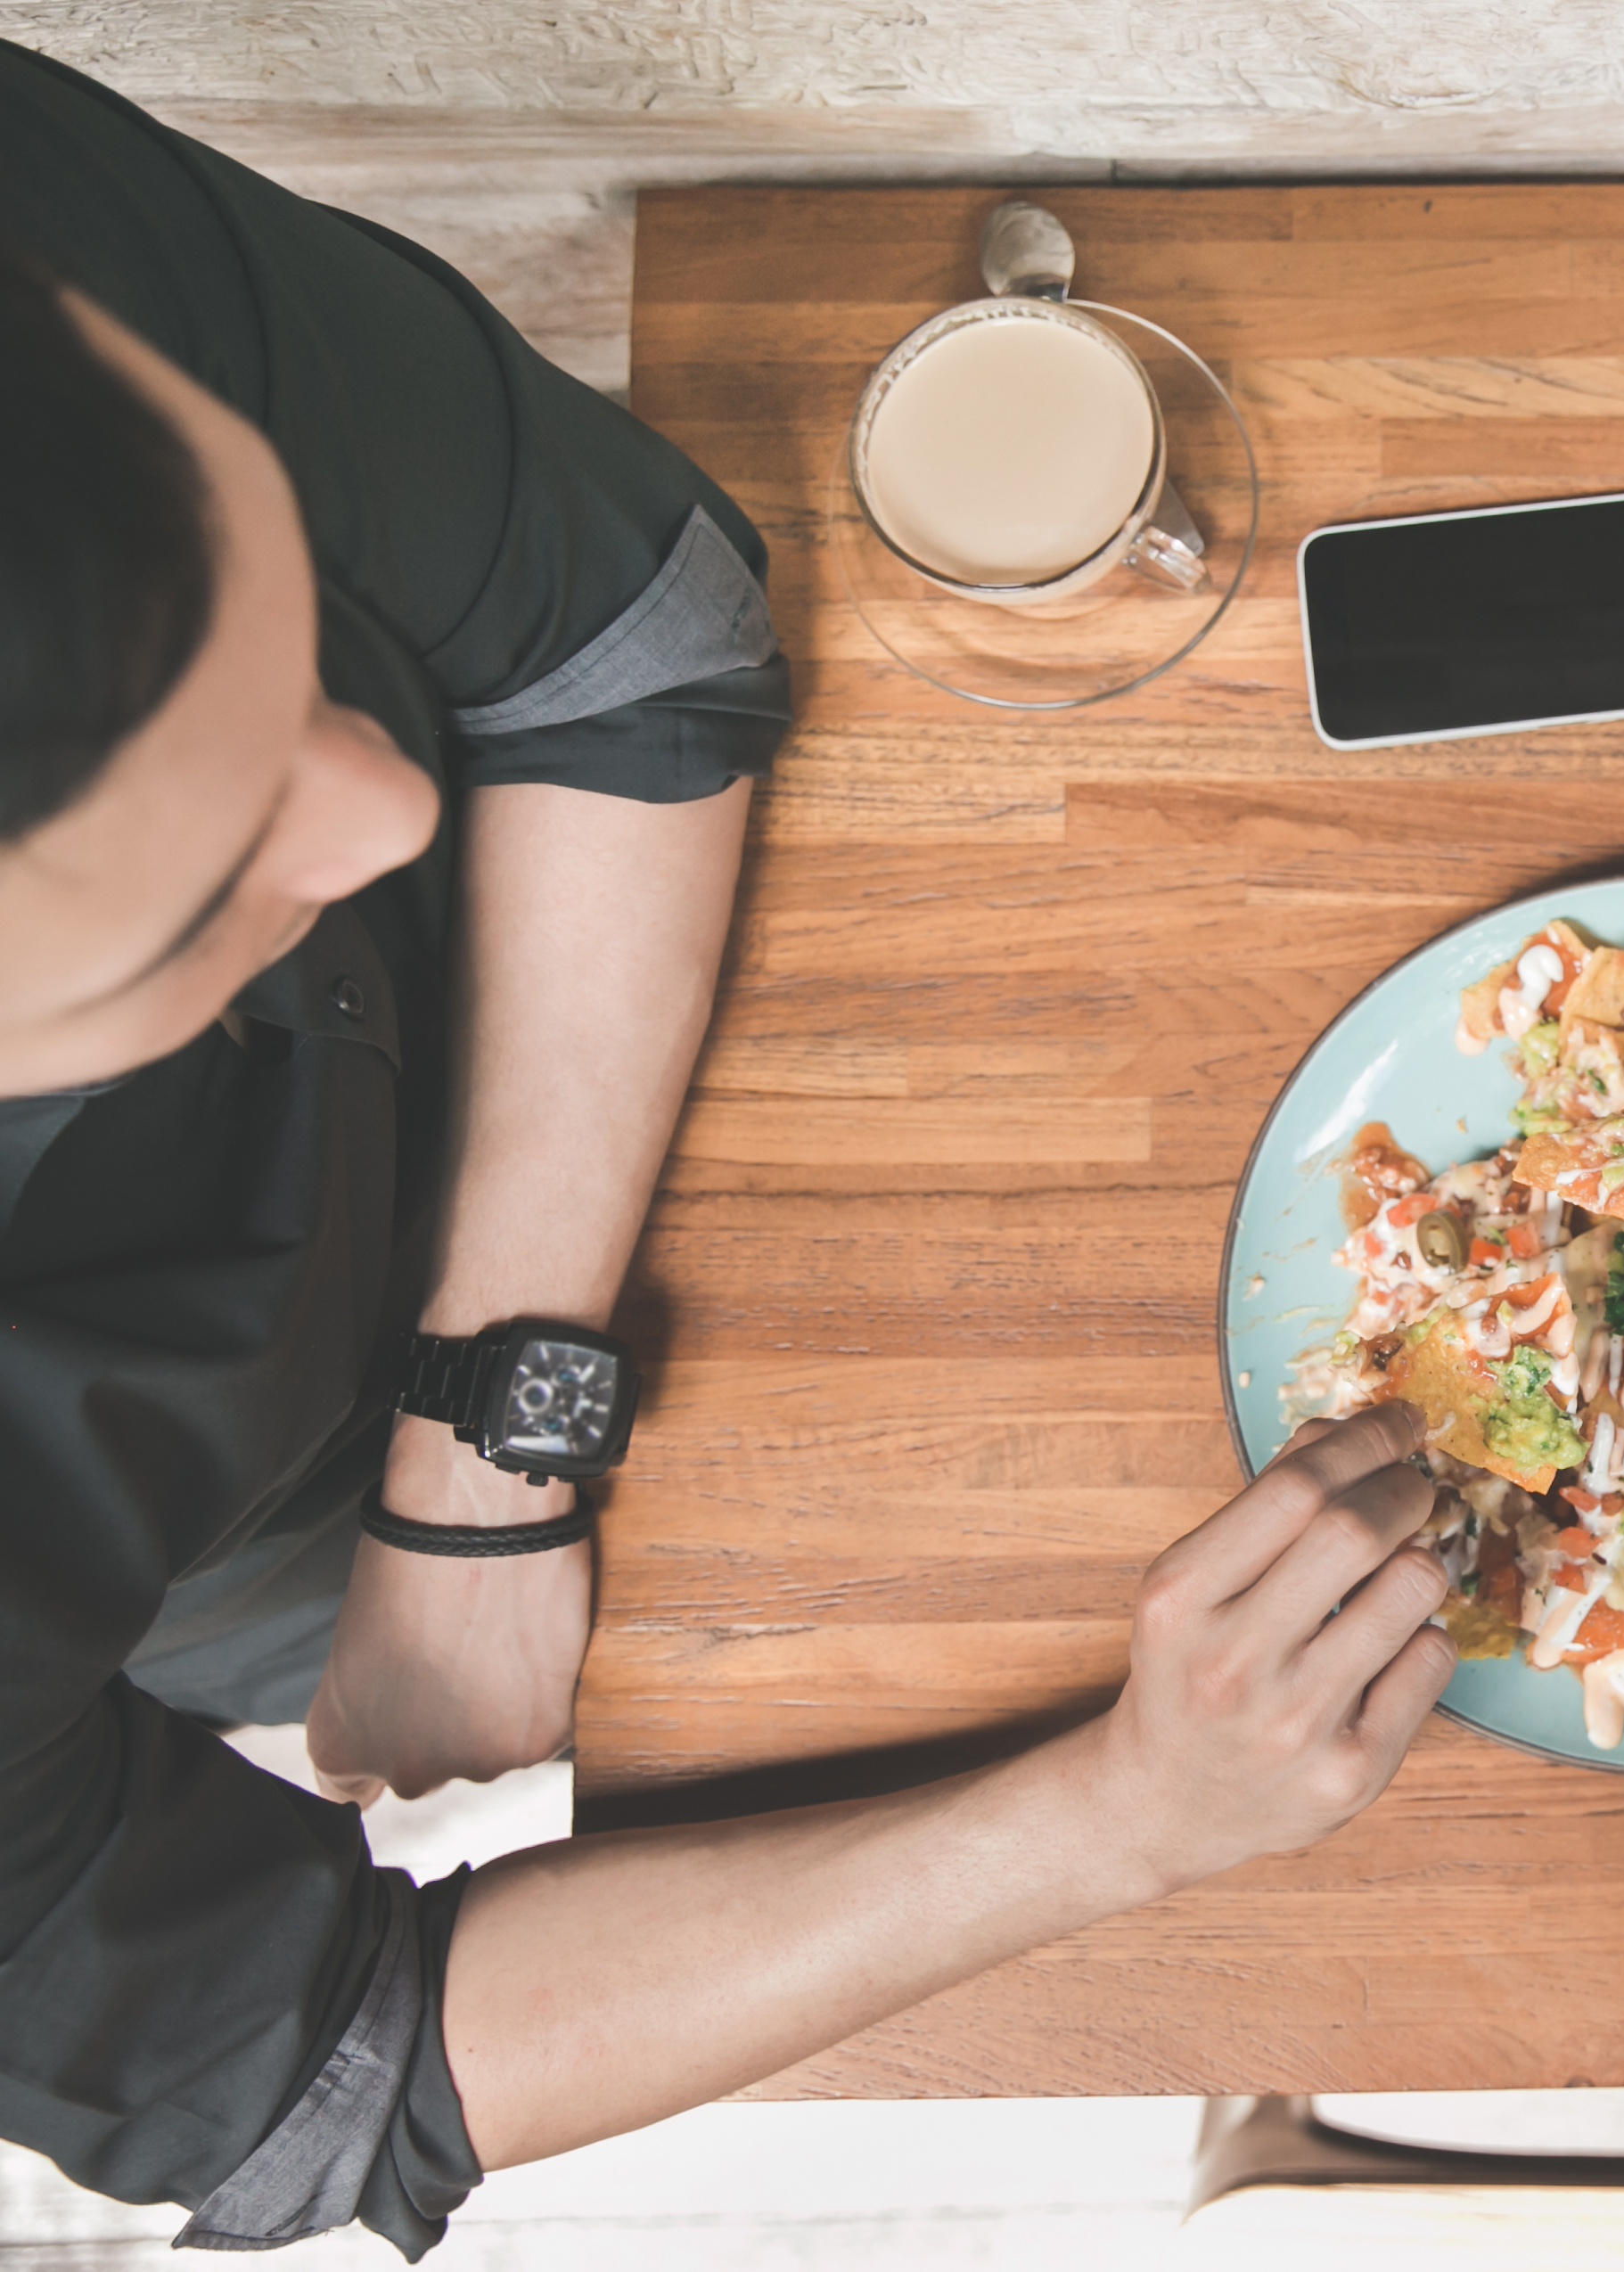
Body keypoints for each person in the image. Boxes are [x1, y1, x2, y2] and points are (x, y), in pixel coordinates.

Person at [0, 44, 1448, 2258]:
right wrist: (1128, 1817)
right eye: (199, 882)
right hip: (243, 1552)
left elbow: (613, 653)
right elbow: (321, 2076)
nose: (396, 802)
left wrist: (483, 1469)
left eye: (278, 621)